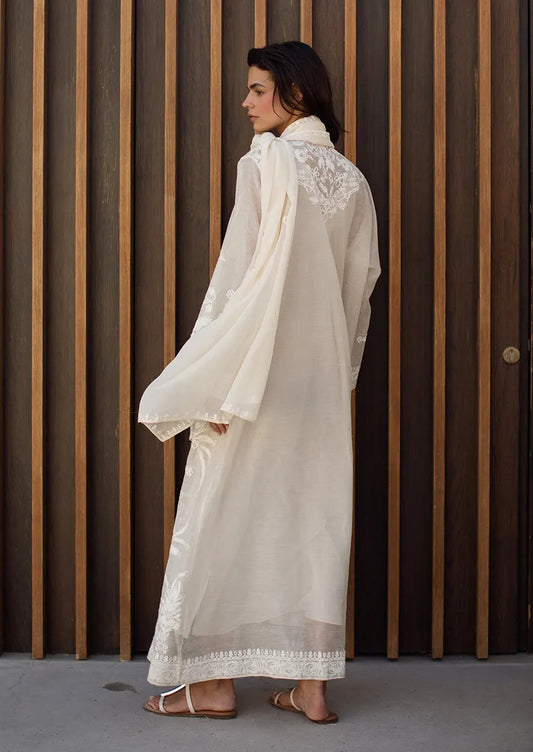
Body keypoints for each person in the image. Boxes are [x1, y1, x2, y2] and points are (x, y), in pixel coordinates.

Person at [138, 40, 380, 724]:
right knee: (310, 523)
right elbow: (358, 288)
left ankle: (213, 686)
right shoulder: (351, 180)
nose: (245, 103)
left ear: (294, 93)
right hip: (317, 384)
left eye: (256, 89)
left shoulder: (267, 161)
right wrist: (337, 376)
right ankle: (311, 688)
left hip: (252, 377)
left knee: (222, 515)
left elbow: (237, 282)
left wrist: (211, 379)